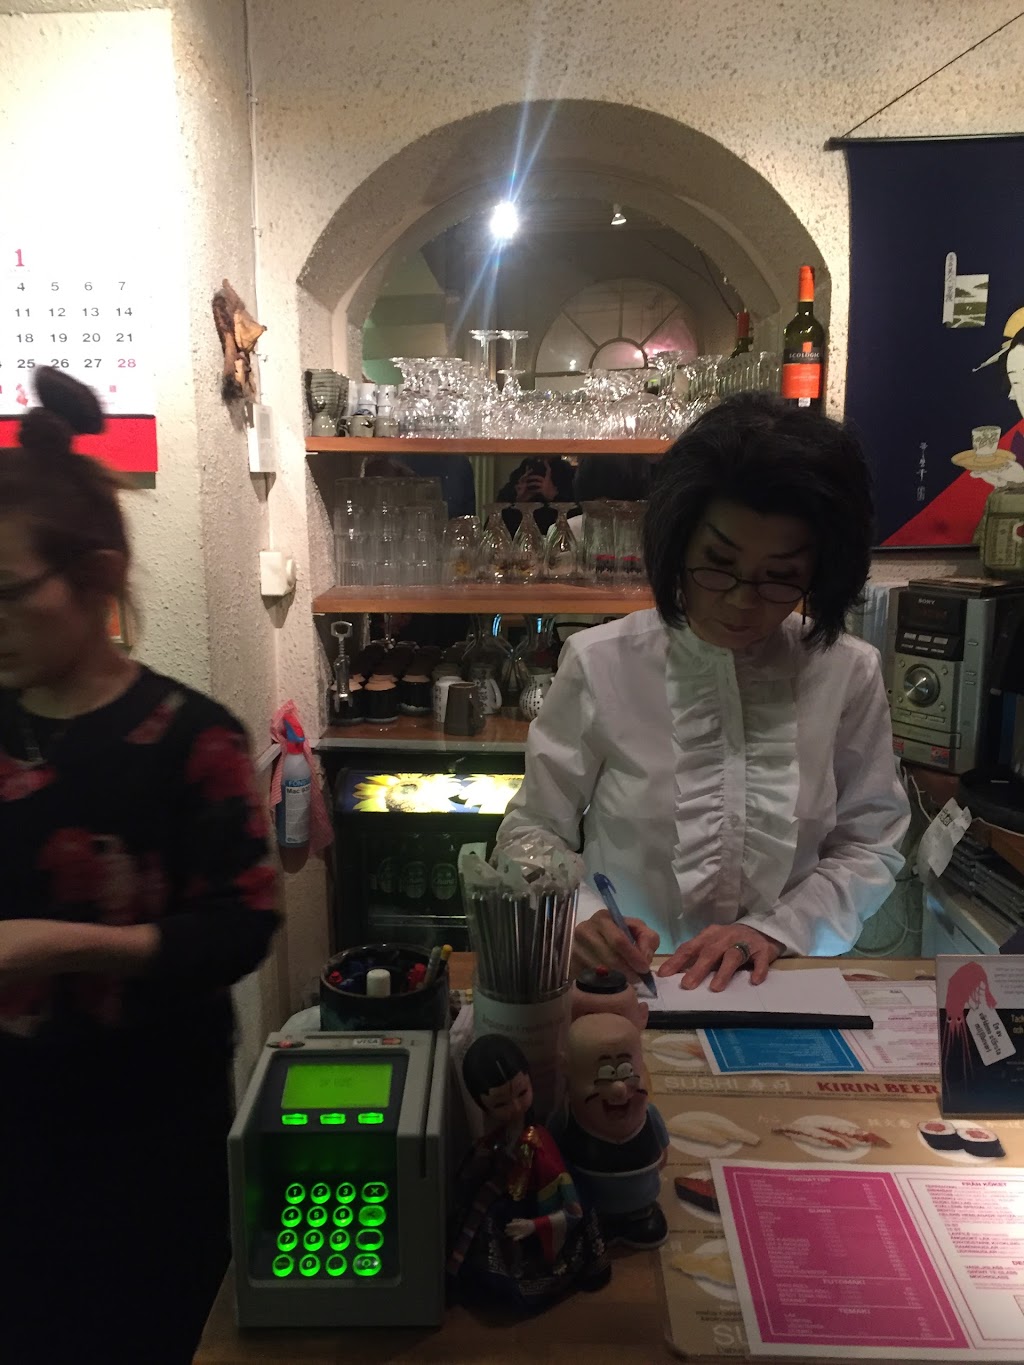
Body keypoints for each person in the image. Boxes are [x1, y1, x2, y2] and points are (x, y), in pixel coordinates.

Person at [0, 369, 280, 1364]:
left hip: (149, 1141)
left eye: (7, 593)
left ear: (100, 576)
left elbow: (243, 927)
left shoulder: (192, 737)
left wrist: (55, 946)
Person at [497, 392, 910, 992]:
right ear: (679, 542)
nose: (741, 601)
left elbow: (869, 845)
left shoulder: (847, 672)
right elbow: (531, 832)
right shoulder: (601, 661)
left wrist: (777, 930)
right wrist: (580, 917)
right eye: (717, 563)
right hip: (631, 988)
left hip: (785, 985)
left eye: (780, 577)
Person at [447, 1034, 608, 1310]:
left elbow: (573, 1210)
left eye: (522, 1093)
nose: (516, 1107)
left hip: (539, 1205)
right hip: (506, 1193)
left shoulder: (540, 1143)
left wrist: (535, 1225)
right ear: (481, 1104)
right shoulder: (498, 1136)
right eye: (500, 1104)